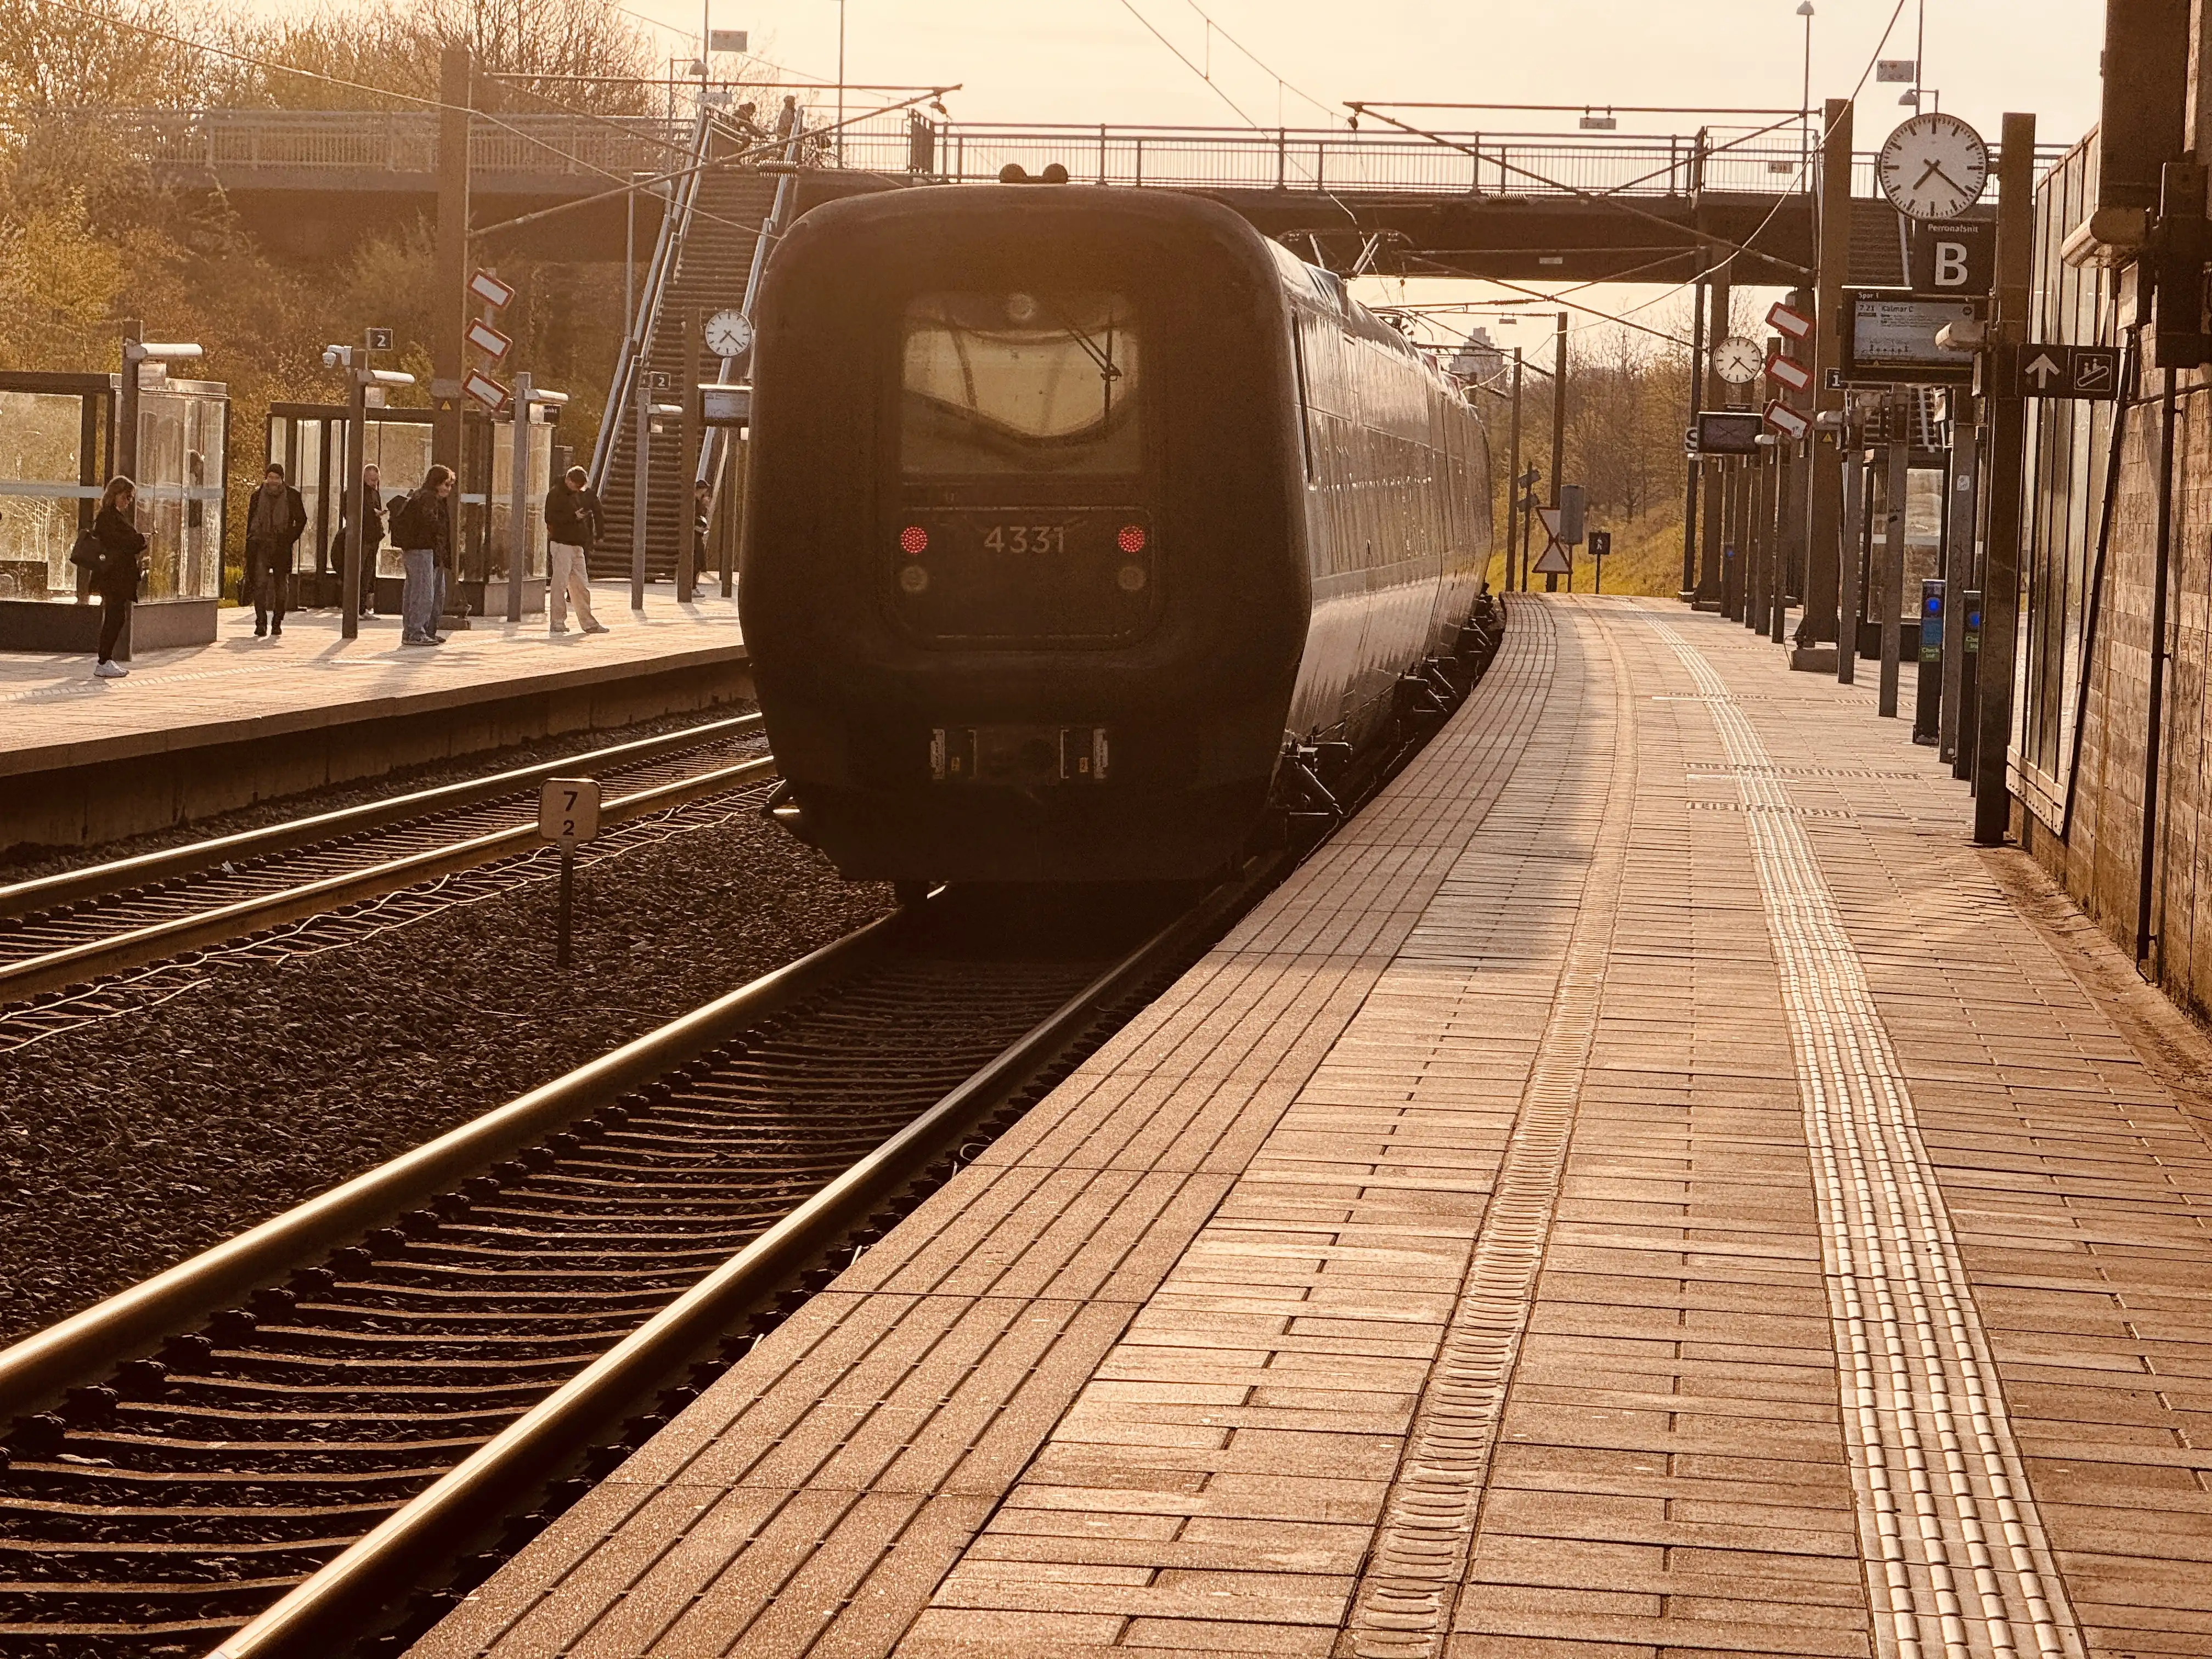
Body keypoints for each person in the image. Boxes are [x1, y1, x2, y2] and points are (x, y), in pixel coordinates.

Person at [77, 476, 146, 679]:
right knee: (115, 617)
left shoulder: (114, 516)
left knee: (117, 617)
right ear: (116, 495)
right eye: (127, 497)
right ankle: (103, 661)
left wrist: (138, 541)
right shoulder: (107, 517)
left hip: (118, 575)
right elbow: (119, 542)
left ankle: (105, 659)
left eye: (131, 498)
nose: (128, 502)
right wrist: (140, 540)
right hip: (112, 575)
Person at [392, 464, 454, 648]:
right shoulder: (427, 498)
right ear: (436, 483)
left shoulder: (432, 498)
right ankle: (415, 632)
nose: (448, 489)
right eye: (445, 484)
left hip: (431, 551)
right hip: (422, 549)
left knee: (432, 592)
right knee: (423, 592)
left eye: (450, 485)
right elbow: (431, 525)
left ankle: (424, 630)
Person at [243, 462, 308, 638]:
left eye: (276, 478)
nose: (273, 481)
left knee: (281, 588)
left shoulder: (292, 496)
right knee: (260, 585)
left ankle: (277, 622)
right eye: (270, 477)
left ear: (282, 479)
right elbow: (251, 522)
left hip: (281, 547)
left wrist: (289, 538)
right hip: (261, 545)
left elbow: (301, 520)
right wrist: (249, 543)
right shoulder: (257, 496)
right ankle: (261, 623)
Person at [543, 464, 608, 635]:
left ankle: (589, 623)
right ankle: (557, 622)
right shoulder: (556, 494)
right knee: (560, 583)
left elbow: (596, 510)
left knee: (581, 585)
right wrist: (573, 517)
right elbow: (550, 518)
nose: (579, 489)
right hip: (562, 543)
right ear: (569, 480)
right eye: (577, 486)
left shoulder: (580, 494)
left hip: (577, 544)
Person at [332, 462, 385, 620]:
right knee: (359, 573)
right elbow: (349, 513)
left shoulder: (375, 493)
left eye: (376, 480)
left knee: (367, 573)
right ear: (364, 478)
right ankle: (355, 607)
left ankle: (362, 608)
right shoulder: (355, 493)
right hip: (362, 537)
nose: (374, 483)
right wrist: (371, 514)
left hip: (372, 537)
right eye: (371, 480)